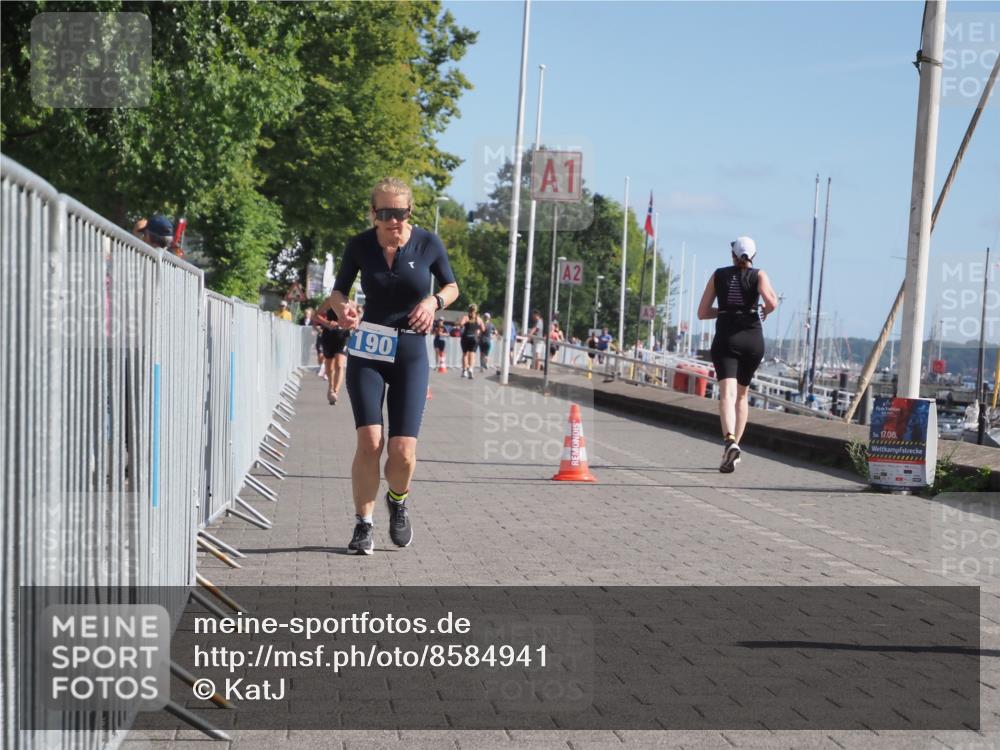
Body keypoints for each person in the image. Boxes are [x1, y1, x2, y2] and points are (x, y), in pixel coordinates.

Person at [319, 177, 458, 555]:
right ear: (373, 213)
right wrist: (341, 308)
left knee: (402, 451)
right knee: (370, 441)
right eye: (385, 213)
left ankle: (398, 499)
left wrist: (433, 304)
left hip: (411, 352)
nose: (393, 221)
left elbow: (452, 286)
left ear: (410, 212)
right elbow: (338, 291)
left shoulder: (428, 243)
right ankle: (363, 525)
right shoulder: (360, 245)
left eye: (400, 213)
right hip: (368, 348)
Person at [697, 236, 778, 473]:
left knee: (727, 395)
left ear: (732, 255)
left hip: (727, 338)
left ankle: (730, 440)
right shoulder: (759, 275)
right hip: (753, 340)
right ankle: (733, 449)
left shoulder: (718, 275)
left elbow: (702, 312)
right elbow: (772, 302)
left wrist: (723, 311)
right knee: (742, 396)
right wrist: (764, 310)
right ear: (754, 256)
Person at [315, 308, 350, 404]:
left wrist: (353, 321)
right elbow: (316, 315)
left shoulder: (350, 303)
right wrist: (327, 323)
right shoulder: (329, 301)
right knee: (330, 366)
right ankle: (331, 386)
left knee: (339, 365)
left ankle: (335, 391)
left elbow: (356, 317)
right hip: (329, 335)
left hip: (343, 335)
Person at [457, 304, 484, 378]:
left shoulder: (466, 317)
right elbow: (483, 329)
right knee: (473, 354)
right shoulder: (478, 319)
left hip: (465, 337)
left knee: (465, 354)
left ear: (468, 310)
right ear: (476, 310)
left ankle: (464, 370)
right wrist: (478, 330)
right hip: (474, 337)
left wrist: (462, 324)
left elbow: (461, 324)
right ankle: (471, 369)